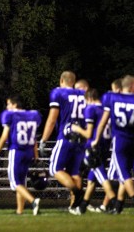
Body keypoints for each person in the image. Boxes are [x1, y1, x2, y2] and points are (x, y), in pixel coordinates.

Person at [92, 74, 134, 214]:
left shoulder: (112, 98)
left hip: (120, 141)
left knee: (124, 175)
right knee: (124, 176)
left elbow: (103, 122)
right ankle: (118, 206)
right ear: (132, 85)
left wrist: (96, 140)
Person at [38, 70, 86, 214]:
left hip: (66, 136)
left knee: (54, 169)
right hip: (81, 137)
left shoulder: (58, 93)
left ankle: (77, 194)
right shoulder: (83, 94)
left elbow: (52, 119)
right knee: (75, 172)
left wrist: (44, 139)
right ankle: (75, 207)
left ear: (61, 80)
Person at [0, 94, 42, 215]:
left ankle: (33, 200)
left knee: (14, 183)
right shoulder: (33, 115)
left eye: (9, 104)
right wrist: (36, 156)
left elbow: (4, 136)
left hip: (17, 151)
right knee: (21, 182)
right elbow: (34, 138)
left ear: (14, 104)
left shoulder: (11, 115)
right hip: (29, 152)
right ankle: (20, 211)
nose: (7, 107)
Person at [71, 87, 116, 213]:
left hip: (94, 146)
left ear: (89, 98)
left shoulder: (90, 108)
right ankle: (82, 207)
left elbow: (88, 134)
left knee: (101, 176)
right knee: (91, 180)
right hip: (105, 145)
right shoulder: (106, 109)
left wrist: (76, 129)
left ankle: (115, 203)